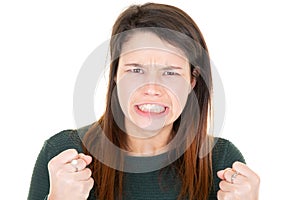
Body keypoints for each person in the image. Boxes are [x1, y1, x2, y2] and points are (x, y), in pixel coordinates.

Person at [28, 3, 260, 200]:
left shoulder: (222, 163)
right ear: (116, 75)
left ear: (192, 80)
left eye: (170, 73)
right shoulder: (63, 154)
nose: (151, 88)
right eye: (136, 70)